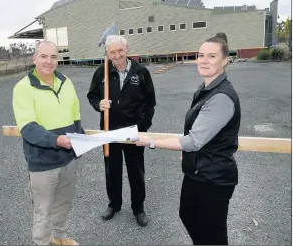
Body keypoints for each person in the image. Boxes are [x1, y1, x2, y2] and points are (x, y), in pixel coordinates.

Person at [135, 32, 240, 245]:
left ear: (225, 61)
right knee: (189, 216)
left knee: (212, 235)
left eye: (211, 56)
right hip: (198, 170)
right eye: (201, 55)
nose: (204, 60)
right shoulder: (206, 89)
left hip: (213, 178)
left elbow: (194, 141)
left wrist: (151, 141)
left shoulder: (221, 97)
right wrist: (187, 155)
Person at [12, 41, 84, 246]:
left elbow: (75, 115)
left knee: (64, 203)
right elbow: (28, 128)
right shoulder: (23, 88)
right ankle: (42, 242)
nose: (49, 61)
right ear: (34, 58)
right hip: (42, 162)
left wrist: (81, 140)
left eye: (53, 57)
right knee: (43, 210)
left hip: (67, 158)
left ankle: (59, 237)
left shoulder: (65, 81)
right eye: (43, 56)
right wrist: (55, 140)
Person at [87, 35, 156, 227]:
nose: (117, 55)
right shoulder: (102, 72)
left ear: (127, 49)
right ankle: (114, 204)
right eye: (112, 51)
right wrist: (98, 104)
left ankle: (138, 208)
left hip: (133, 132)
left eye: (120, 50)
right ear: (106, 53)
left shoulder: (140, 72)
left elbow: (150, 102)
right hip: (109, 131)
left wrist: (142, 126)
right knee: (112, 171)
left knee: (136, 171)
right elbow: (92, 95)